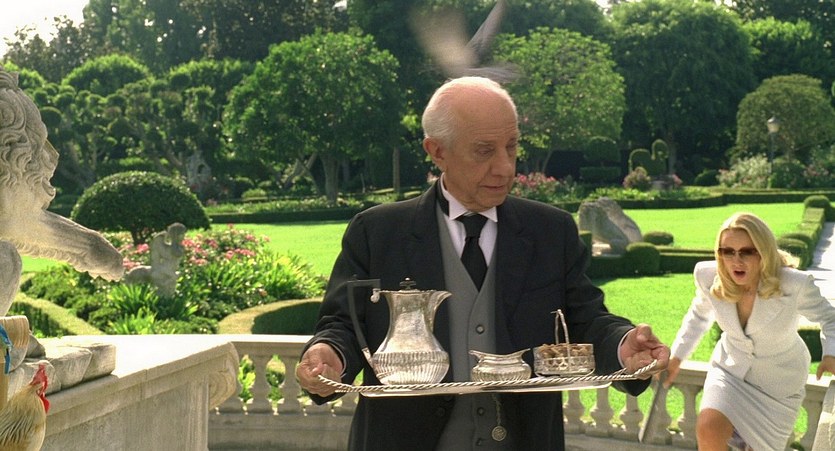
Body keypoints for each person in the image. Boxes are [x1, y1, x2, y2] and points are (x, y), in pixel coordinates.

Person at [296, 76, 670, 450]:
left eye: (511, 147)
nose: (505, 168)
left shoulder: (551, 231)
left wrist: (623, 346)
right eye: (484, 151)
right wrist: (329, 355)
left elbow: (585, 321)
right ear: (437, 151)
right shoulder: (377, 233)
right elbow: (343, 326)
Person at [664, 212, 835, 451]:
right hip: (729, 373)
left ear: (763, 251)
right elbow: (699, 317)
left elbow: (830, 318)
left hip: (778, 387)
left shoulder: (795, 284)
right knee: (708, 427)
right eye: (728, 251)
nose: (736, 260)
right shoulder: (707, 276)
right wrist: (676, 358)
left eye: (746, 252)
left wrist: (830, 353)